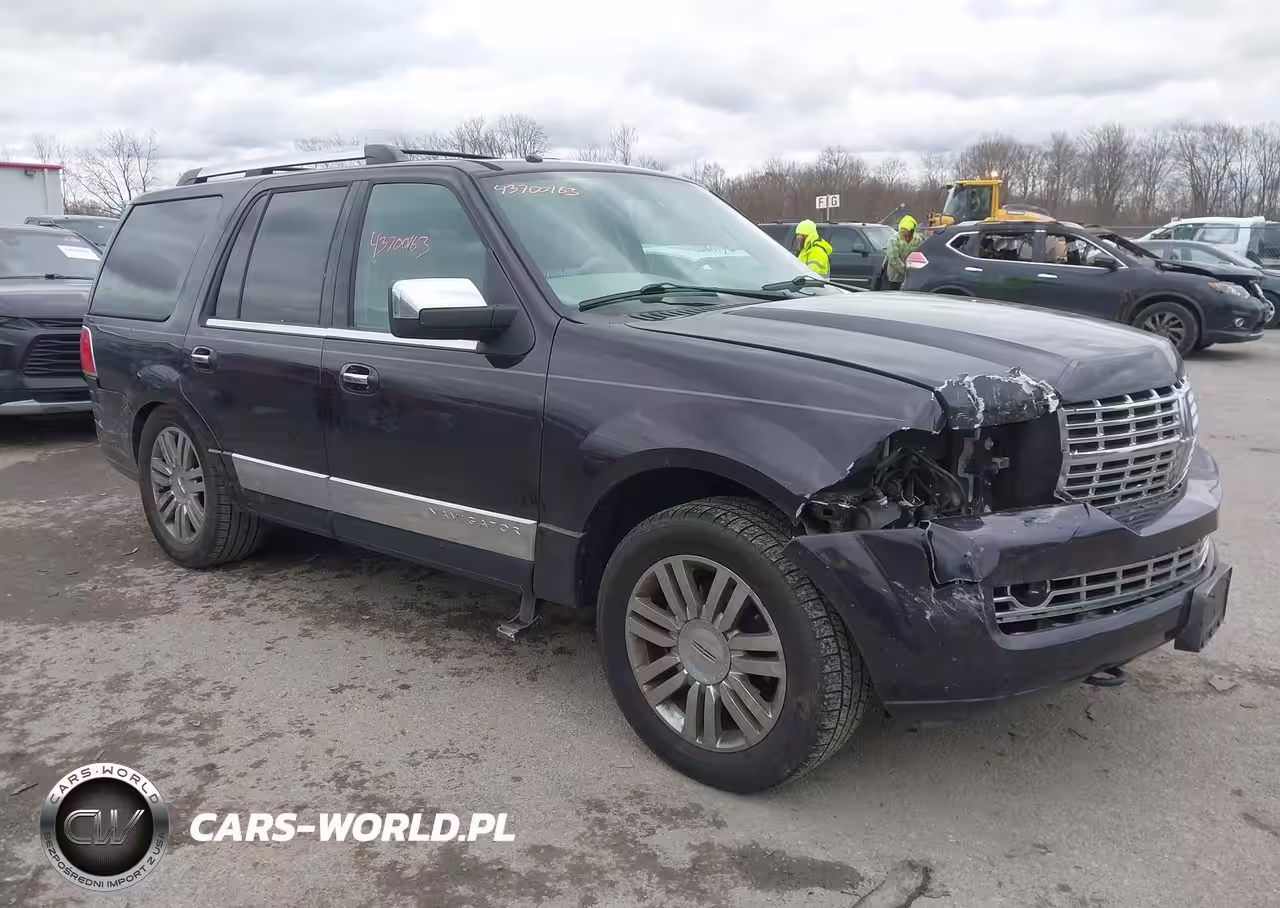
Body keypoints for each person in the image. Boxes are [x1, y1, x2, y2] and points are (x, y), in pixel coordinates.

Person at [883, 215, 923, 290]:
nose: (902, 230)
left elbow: (919, 256)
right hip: (895, 276)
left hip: (911, 276)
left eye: (905, 228)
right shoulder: (894, 240)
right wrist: (905, 272)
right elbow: (893, 259)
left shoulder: (917, 240)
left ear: (911, 229)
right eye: (902, 228)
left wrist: (913, 271)